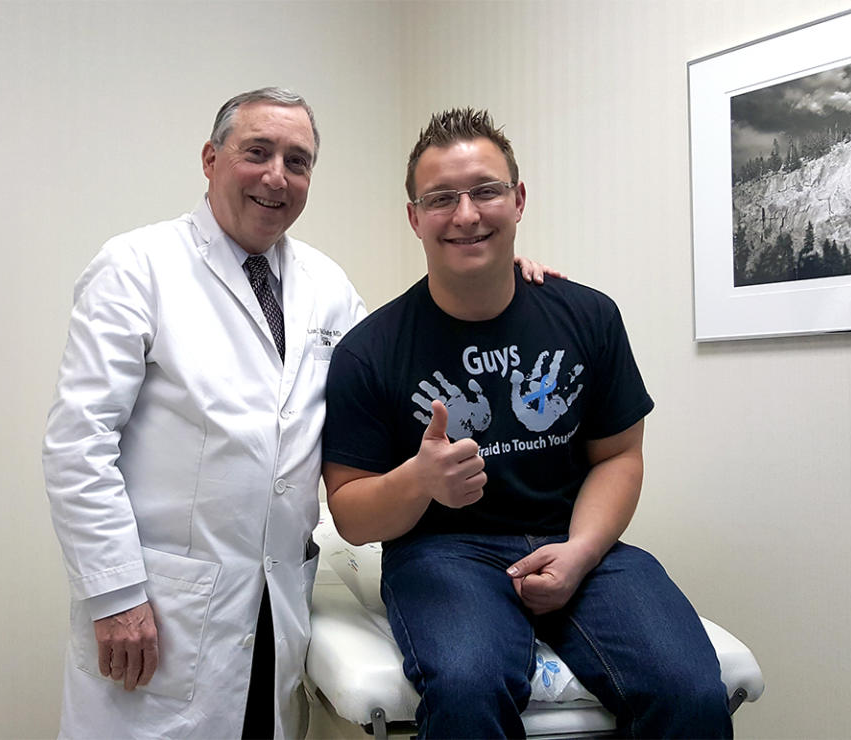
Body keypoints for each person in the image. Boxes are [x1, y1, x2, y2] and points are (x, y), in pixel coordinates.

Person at [42, 88, 553, 739]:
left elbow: (400, 366)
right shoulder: (136, 268)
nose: (277, 176)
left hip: (277, 602)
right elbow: (78, 444)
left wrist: (502, 284)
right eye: (258, 152)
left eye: (298, 160)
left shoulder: (325, 285)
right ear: (211, 158)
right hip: (161, 603)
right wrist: (114, 596)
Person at [322, 108, 733, 739]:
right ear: (414, 217)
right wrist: (420, 481)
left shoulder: (587, 317)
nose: (466, 215)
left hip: (576, 538)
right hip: (443, 553)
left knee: (690, 691)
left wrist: (580, 553)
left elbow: (619, 456)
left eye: (486, 191)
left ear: (518, 200)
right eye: (440, 199)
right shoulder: (369, 352)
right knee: (466, 690)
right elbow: (349, 514)